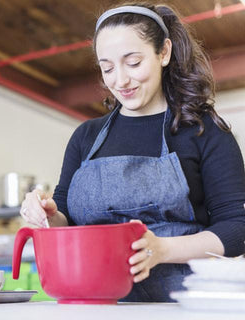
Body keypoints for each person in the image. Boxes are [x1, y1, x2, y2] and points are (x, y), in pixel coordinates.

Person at [19, 2, 245, 302]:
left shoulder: (204, 131)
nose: (120, 80)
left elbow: (236, 229)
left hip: (179, 304)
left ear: (163, 53)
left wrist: (162, 249)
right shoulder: (85, 136)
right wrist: (48, 214)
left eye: (133, 63)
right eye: (107, 68)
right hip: (94, 303)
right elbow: (66, 220)